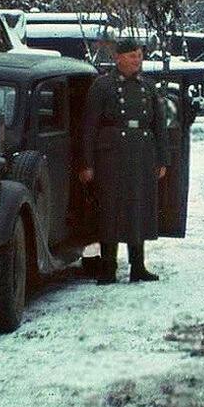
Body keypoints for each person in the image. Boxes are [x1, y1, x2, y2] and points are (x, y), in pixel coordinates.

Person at [79, 38, 169, 284]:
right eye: (131, 56)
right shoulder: (103, 86)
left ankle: (137, 266)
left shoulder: (148, 86)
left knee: (137, 208)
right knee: (110, 208)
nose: (136, 60)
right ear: (118, 58)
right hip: (111, 156)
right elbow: (89, 127)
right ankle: (108, 267)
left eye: (139, 56)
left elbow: (159, 124)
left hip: (141, 154)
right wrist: (87, 163)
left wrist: (162, 158)